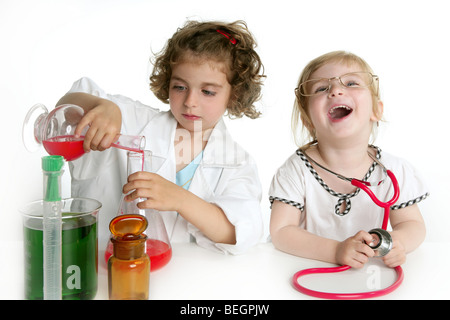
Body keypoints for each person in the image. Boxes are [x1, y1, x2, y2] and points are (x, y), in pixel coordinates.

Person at [56, 20, 266, 254]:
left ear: (234, 95)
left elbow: (239, 233)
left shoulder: (237, 163)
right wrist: (100, 106)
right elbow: (68, 107)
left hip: (186, 279)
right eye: (180, 87)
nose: (190, 102)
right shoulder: (131, 121)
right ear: (168, 81)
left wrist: (180, 199)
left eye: (207, 91)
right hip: (102, 265)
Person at [269, 51, 428, 268]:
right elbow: (281, 232)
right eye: (322, 88)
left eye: (351, 83)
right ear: (308, 120)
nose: (336, 90)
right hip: (308, 272)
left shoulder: (394, 170)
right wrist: (335, 251)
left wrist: (398, 242)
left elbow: (412, 224)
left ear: (376, 110)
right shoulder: (295, 171)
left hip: (369, 277)